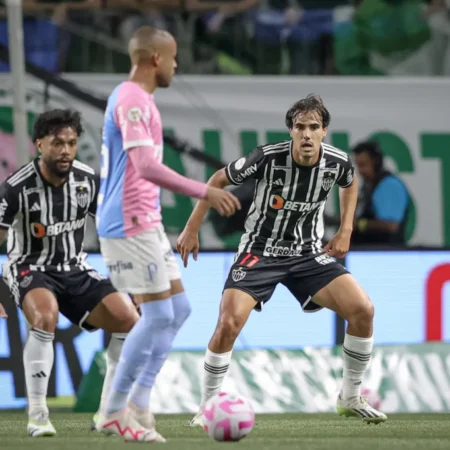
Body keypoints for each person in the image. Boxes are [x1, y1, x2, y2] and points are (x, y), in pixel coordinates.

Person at [177, 94, 387, 426]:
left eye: (313, 127)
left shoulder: (338, 162)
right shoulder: (265, 158)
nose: (306, 134)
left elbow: (350, 182)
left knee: (363, 310)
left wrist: (346, 228)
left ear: (324, 131)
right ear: (290, 130)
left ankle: (350, 396)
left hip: (307, 253)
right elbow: (217, 180)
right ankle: (207, 407)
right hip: (258, 252)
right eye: (300, 127)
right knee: (229, 323)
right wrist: (191, 229)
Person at [94, 26, 240, 442]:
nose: (177, 65)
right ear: (156, 58)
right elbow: (144, 167)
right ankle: (114, 410)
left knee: (179, 310)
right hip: (128, 223)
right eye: (174, 58)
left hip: (146, 222)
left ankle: (138, 402)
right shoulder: (131, 100)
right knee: (158, 314)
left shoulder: (140, 101)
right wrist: (206, 191)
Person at [0, 109, 139, 437]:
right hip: (29, 267)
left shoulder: (87, 180)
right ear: (39, 145)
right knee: (45, 317)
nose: (65, 150)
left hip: (75, 268)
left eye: (72, 143)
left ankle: (108, 412)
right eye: (57, 142)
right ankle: (37, 414)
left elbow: (113, 228)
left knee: (129, 320)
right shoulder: (15, 188)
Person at [350, 140, 411, 245]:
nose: (360, 170)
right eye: (358, 165)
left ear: (376, 162)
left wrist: (360, 224)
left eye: (363, 165)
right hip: (370, 252)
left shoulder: (390, 185)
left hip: (387, 254)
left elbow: (391, 226)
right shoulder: (368, 186)